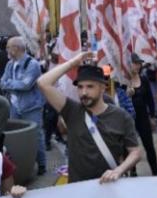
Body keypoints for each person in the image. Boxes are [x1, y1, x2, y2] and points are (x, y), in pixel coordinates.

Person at [38, 51, 142, 183]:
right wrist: (72, 63)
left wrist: (119, 170)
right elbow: (43, 83)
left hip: (110, 186)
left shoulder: (121, 116)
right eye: (80, 87)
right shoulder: (71, 110)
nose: (84, 92)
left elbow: (135, 152)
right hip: (78, 188)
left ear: (103, 88)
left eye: (90, 87)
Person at [1, 37, 47, 175]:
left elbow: (26, 85)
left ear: (16, 48)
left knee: (36, 135)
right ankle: (23, 163)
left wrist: (10, 84)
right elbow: (2, 82)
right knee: (18, 136)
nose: (7, 50)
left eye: (8, 47)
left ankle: (42, 164)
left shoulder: (32, 64)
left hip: (31, 107)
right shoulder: (9, 64)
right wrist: (14, 84)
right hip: (14, 107)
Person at [128, 55, 157, 175]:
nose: (138, 66)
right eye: (135, 63)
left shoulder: (144, 79)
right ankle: (132, 172)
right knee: (130, 147)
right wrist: (127, 94)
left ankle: (155, 172)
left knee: (149, 146)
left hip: (142, 118)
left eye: (139, 63)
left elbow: (150, 99)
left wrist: (152, 116)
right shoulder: (120, 81)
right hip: (128, 119)